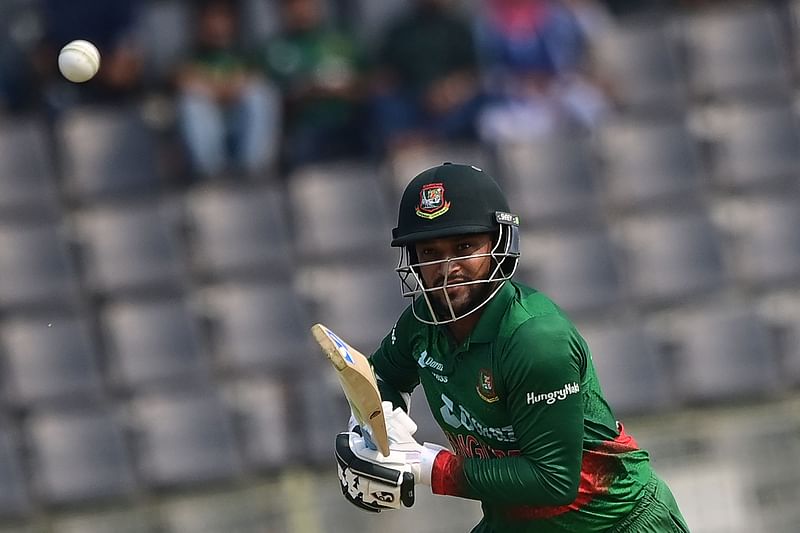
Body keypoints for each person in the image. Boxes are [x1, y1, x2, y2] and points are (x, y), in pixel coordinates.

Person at [333, 162, 690, 532]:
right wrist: (377, 431)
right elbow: (380, 377)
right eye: (430, 252)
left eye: (465, 246)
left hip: (614, 522)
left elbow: (553, 481)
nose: (446, 267)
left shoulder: (535, 339)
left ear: (498, 244)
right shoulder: (421, 323)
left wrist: (424, 465)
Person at [256, 0, 367, 171]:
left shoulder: (341, 41)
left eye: (307, 3)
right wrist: (307, 91)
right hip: (304, 130)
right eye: (293, 5)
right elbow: (270, 101)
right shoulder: (273, 50)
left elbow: (371, 83)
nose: (301, 10)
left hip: (348, 122)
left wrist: (345, 89)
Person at [175, 0, 280, 179]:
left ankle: (253, 170)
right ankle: (211, 173)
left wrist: (215, 89)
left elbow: (256, 78)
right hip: (210, 130)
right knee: (192, 103)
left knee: (260, 95)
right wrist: (227, 89)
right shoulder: (188, 58)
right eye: (210, 19)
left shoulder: (246, 56)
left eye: (222, 18)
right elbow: (183, 81)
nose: (216, 25)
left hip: (239, 127)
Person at [369, 0, 484, 156]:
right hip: (410, 97)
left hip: (450, 97)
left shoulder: (458, 28)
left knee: (480, 104)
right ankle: (404, 141)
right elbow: (384, 73)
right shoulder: (400, 30)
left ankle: (431, 138)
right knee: (384, 104)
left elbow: (473, 73)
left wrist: (450, 90)